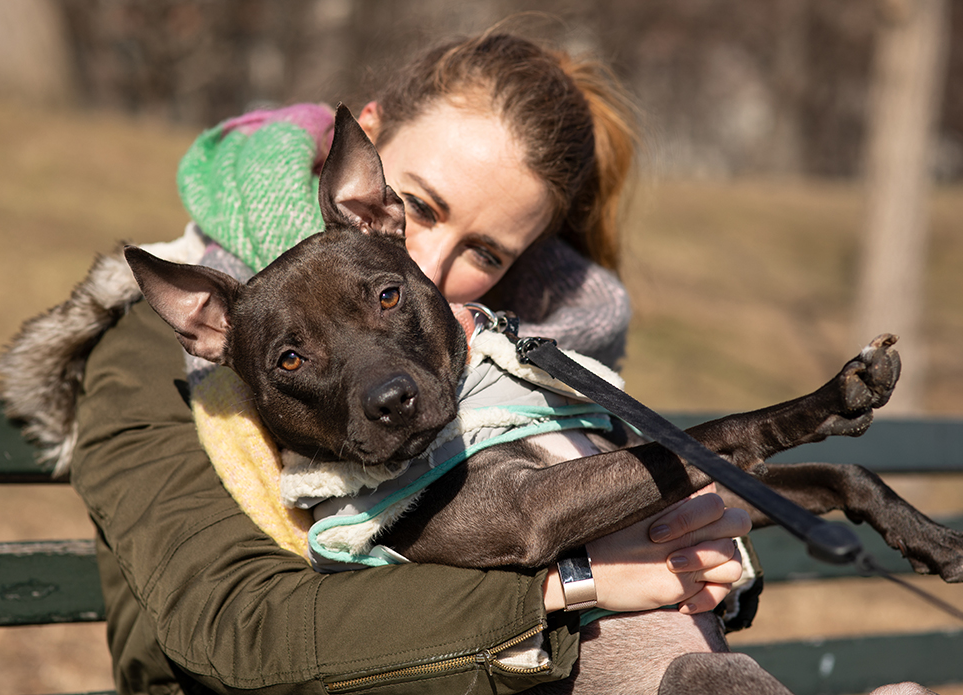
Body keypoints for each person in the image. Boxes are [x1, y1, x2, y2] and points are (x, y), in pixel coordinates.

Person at [67, 30, 750, 695]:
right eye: (419, 206)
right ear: (365, 145)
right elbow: (233, 627)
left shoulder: (527, 353)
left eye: (485, 253)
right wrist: (568, 582)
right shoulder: (161, 345)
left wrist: (697, 551)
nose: (425, 264)